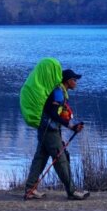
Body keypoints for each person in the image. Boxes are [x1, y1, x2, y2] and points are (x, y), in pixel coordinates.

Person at [24, 68, 89, 201]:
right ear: (68, 81)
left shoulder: (59, 91)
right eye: (74, 80)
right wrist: (71, 126)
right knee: (61, 160)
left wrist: (71, 126)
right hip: (50, 131)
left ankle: (30, 190)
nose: (76, 83)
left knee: (40, 158)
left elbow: (55, 113)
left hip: (45, 128)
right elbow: (53, 114)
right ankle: (72, 192)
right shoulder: (59, 93)